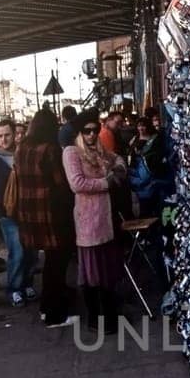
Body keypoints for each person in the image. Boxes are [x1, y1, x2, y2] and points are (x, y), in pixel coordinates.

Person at [10, 109, 77, 328]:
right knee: (56, 263)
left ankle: (45, 308)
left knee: (49, 261)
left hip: (30, 214)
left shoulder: (21, 150)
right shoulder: (50, 150)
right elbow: (61, 182)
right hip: (52, 213)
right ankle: (53, 314)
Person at [63, 111, 127, 333]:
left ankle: (110, 315)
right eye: (86, 131)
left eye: (94, 130)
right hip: (88, 220)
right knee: (91, 272)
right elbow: (77, 183)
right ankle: (95, 317)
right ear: (80, 133)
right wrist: (105, 182)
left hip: (106, 219)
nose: (91, 135)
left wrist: (119, 169)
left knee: (107, 271)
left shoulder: (100, 149)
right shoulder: (71, 152)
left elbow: (117, 158)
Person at [0, 118, 29, 306]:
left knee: (29, 250)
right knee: (17, 251)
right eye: (0, 136)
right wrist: (5, 212)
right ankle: (15, 289)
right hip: (8, 214)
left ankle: (25, 284)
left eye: (7, 135)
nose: (4, 139)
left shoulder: (20, 155)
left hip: (25, 211)